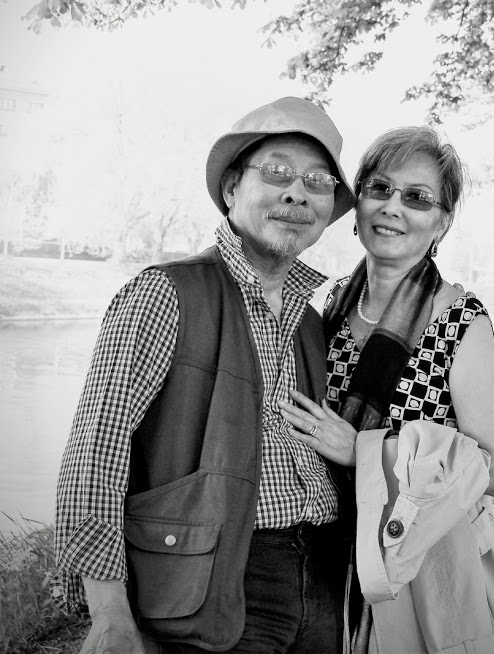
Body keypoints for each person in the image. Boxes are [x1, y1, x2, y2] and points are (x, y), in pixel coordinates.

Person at [52, 96, 363, 653]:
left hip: (322, 582)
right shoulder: (163, 292)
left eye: (318, 181)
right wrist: (109, 613)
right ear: (231, 189)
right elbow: (96, 454)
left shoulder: (311, 321)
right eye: (277, 172)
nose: (297, 192)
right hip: (213, 586)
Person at [278, 126, 494, 653]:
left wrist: (365, 452)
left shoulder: (460, 320)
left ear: (442, 222)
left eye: (417, 197)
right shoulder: (331, 306)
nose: (393, 207)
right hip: (332, 561)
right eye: (380, 188)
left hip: (429, 565)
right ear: (358, 202)